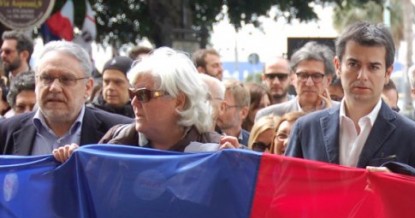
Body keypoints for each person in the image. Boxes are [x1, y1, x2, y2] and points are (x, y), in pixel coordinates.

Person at [285, 22, 415, 180]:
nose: (362, 76)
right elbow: (285, 194)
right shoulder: (306, 129)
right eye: (353, 64)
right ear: (338, 66)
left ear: (388, 72)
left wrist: (397, 186)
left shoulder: (414, 137)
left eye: (373, 67)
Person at [52, 47, 237, 162]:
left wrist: (239, 168)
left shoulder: (219, 151)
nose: (133, 102)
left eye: (143, 95)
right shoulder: (116, 140)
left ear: (179, 101)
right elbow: (83, 201)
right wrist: (72, 164)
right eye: (132, 94)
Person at [0, 41, 130, 156]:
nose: (54, 88)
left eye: (66, 79)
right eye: (46, 78)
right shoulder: (6, 132)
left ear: (88, 87)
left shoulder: (122, 133)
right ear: (36, 82)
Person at [256, 42, 336, 120]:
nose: (309, 83)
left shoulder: (340, 114)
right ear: (293, 78)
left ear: (328, 80)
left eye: (316, 76)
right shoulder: (268, 115)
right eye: (303, 75)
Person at [217, 79, 250, 146]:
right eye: (217, 105)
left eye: (224, 107)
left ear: (243, 113)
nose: (219, 111)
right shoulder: (207, 139)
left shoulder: (252, 143)